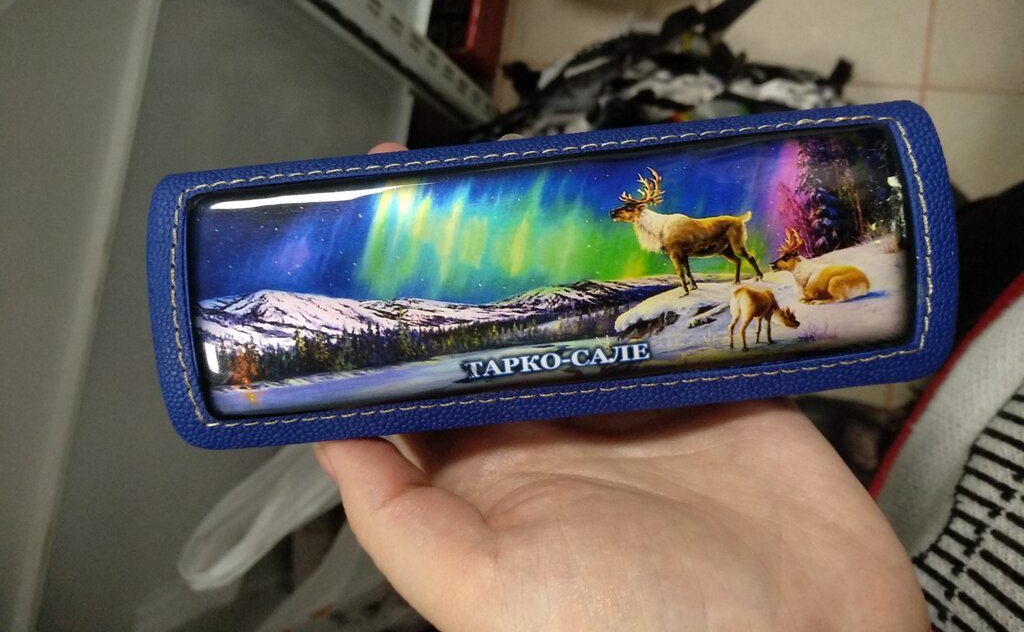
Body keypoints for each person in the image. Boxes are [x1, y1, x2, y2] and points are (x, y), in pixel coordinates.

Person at [314, 142, 930, 632]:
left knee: (733, 269)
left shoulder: (690, 228)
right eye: (632, 211)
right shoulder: (666, 232)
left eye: (633, 211)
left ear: (644, 214)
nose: (629, 215)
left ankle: (726, 283)